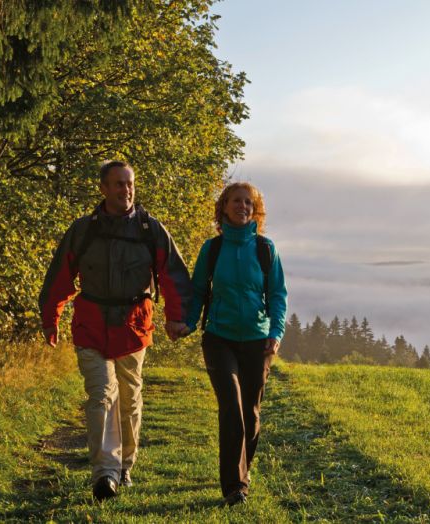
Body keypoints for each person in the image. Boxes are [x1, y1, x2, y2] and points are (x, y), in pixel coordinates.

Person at [39, 160, 191, 501]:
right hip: (91, 325)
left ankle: (125, 467)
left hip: (134, 326)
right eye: (119, 184)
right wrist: (51, 317)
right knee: (101, 395)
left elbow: (174, 275)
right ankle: (105, 473)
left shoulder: (151, 229)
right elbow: (60, 276)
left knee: (129, 398)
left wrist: (177, 318)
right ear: (103, 188)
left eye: (130, 183)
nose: (126, 190)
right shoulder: (83, 230)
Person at [183, 182, 288, 506]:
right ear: (224, 207)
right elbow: (198, 290)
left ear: (254, 209)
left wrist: (276, 332)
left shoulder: (265, 249)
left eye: (248, 202)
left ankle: (243, 471)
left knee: (250, 415)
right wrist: (186, 323)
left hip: (258, 341)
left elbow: (277, 295)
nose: (242, 206)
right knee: (231, 409)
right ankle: (234, 487)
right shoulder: (212, 249)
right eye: (236, 201)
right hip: (219, 338)